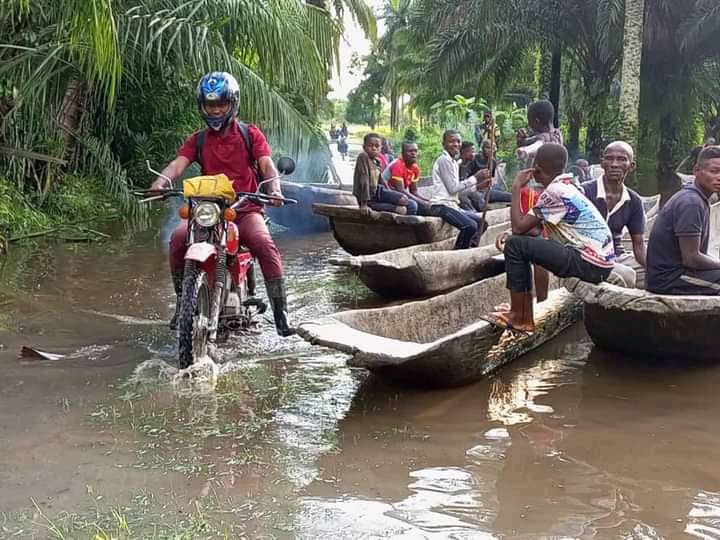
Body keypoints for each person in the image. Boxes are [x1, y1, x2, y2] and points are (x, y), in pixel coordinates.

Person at [149, 71, 293, 336]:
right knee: (178, 239)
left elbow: (266, 163)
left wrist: (274, 188)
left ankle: (281, 313)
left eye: (220, 104)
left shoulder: (250, 134)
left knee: (264, 243)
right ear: (202, 106)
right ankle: (184, 302)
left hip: (245, 208)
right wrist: (160, 183)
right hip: (208, 210)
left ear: (233, 103)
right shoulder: (199, 139)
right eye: (210, 105)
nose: (215, 110)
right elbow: (177, 164)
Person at [483, 143, 615, 333]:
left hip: (589, 263)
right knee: (519, 243)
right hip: (600, 263)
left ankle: (521, 317)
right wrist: (514, 233)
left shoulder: (554, 192)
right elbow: (534, 228)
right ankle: (522, 311)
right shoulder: (568, 185)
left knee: (514, 245)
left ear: (536, 168)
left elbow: (519, 228)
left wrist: (516, 188)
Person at [646, 146, 720, 295]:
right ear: (696, 171)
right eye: (714, 171)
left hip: (682, 274)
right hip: (669, 279)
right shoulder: (691, 202)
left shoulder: (699, 198)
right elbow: (691, 258)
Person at [582, 142, 647, 268]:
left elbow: (639, 246)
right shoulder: (585, 192)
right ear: (602, 163)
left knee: (655, 270)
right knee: (627, 275)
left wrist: (654, 270)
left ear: (631, 166)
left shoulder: (633, 201)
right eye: (609, 158)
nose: (614, 164)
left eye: (621, 159)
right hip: (586, 255)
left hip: (616, 256)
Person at [430, 130, 492, 249]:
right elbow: (453, 189)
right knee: (470, 226)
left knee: (482, 223)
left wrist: (478, 186)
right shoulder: (444, 160)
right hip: (440, 206)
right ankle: (458, 251)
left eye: (458, 141)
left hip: (452, 205)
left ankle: (469, 247)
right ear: (444, 144)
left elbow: (458, 192)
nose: (456, 144)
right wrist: (475, 178)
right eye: (451, 141)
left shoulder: (453, 162)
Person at [353, 132, 417, 217]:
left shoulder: (377, 161)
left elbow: (381, 181)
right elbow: (363, 180)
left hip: (378, 194)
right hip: (368, 199)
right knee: (403, 208)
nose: (374, 148)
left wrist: (390, 193)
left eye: (377, 146)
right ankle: (405, 228)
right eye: (370, 146)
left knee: (406, 201)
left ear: (381, 148)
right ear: (364, 147)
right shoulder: (363, 157)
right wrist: (364, 204)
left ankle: (406, 226)